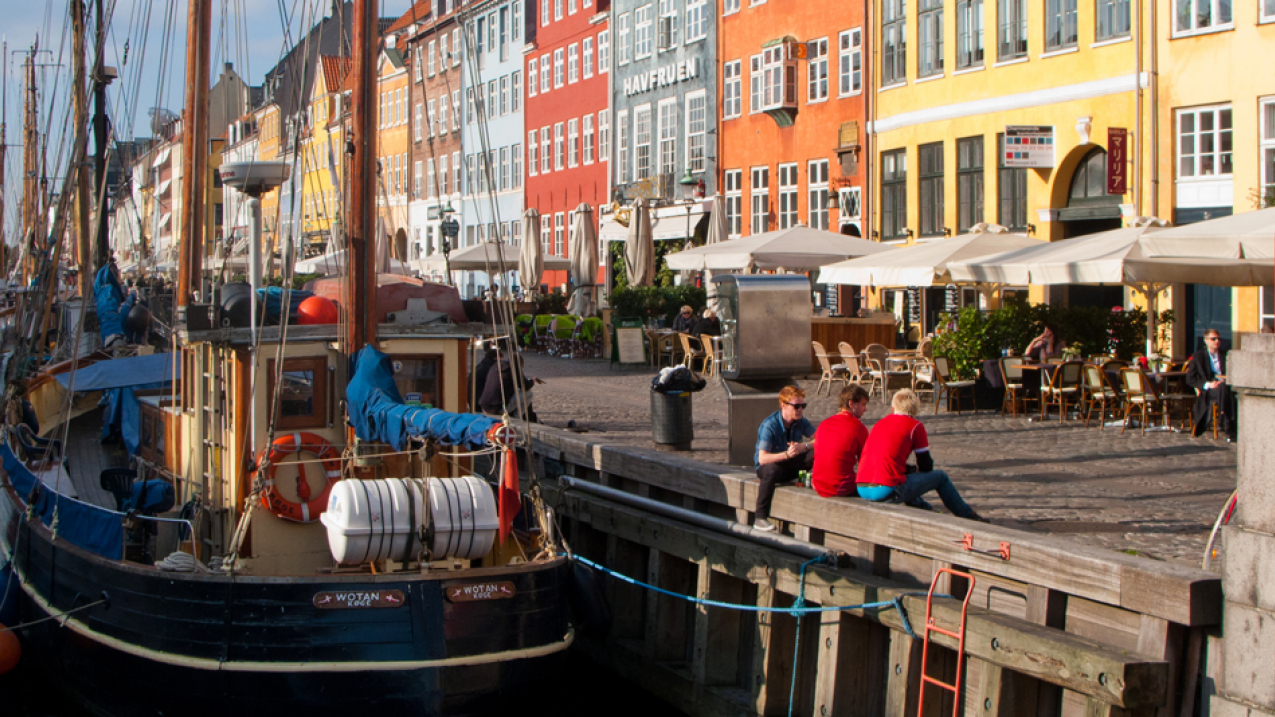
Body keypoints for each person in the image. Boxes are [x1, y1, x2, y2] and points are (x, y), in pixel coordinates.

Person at [856, 389, 986, 521]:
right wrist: (916, 470)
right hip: (885, 491)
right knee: (940, 477)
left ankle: (926, 509)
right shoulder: (915, 426)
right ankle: (968, 516)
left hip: (862, 487)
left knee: (908, 478)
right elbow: (926, 465)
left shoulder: (879, 424)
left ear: (893, 408)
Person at [752, 386, 816, 531]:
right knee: (771, 470)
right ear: (783, 405)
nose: (800, 410)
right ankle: (760, 517)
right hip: (771, 467)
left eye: (803, 406)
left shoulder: (801, 421)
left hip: (790, 464)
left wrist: (804, 446)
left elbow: (820, 439)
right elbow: (762, 459)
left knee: (816, 451)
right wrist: (786, 455)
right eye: (796, 406)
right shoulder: (770, 425)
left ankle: (820, 483)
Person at [811, 385, 870, 498]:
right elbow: (866, 462)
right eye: (863, 404)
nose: (865, 409)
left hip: (817, 484)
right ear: (852, 404)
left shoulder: (824, 424)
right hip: (840, 487)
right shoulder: (857, 427)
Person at [1187, 329, 1237, 441]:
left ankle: (1223, 415)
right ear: (1206, 341)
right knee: (1225, 392)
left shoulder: (1226, 355)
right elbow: (1190, 379)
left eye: (1218, 339)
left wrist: (1226, 379)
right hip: (1209, 390)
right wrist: (1208, 384)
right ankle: (1226, 422)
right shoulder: (1198, 357)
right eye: (1213, 339)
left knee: (1226, 389)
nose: (1217, 341)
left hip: (1225, 386)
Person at [478, 352, 544, 421]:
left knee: (517, 393)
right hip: (497, 408)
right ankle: (517, 418)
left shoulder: (497, 365)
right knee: (528, 393)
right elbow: (525, 386)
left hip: (484, 406)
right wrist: (533, 380)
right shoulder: (513, 368)